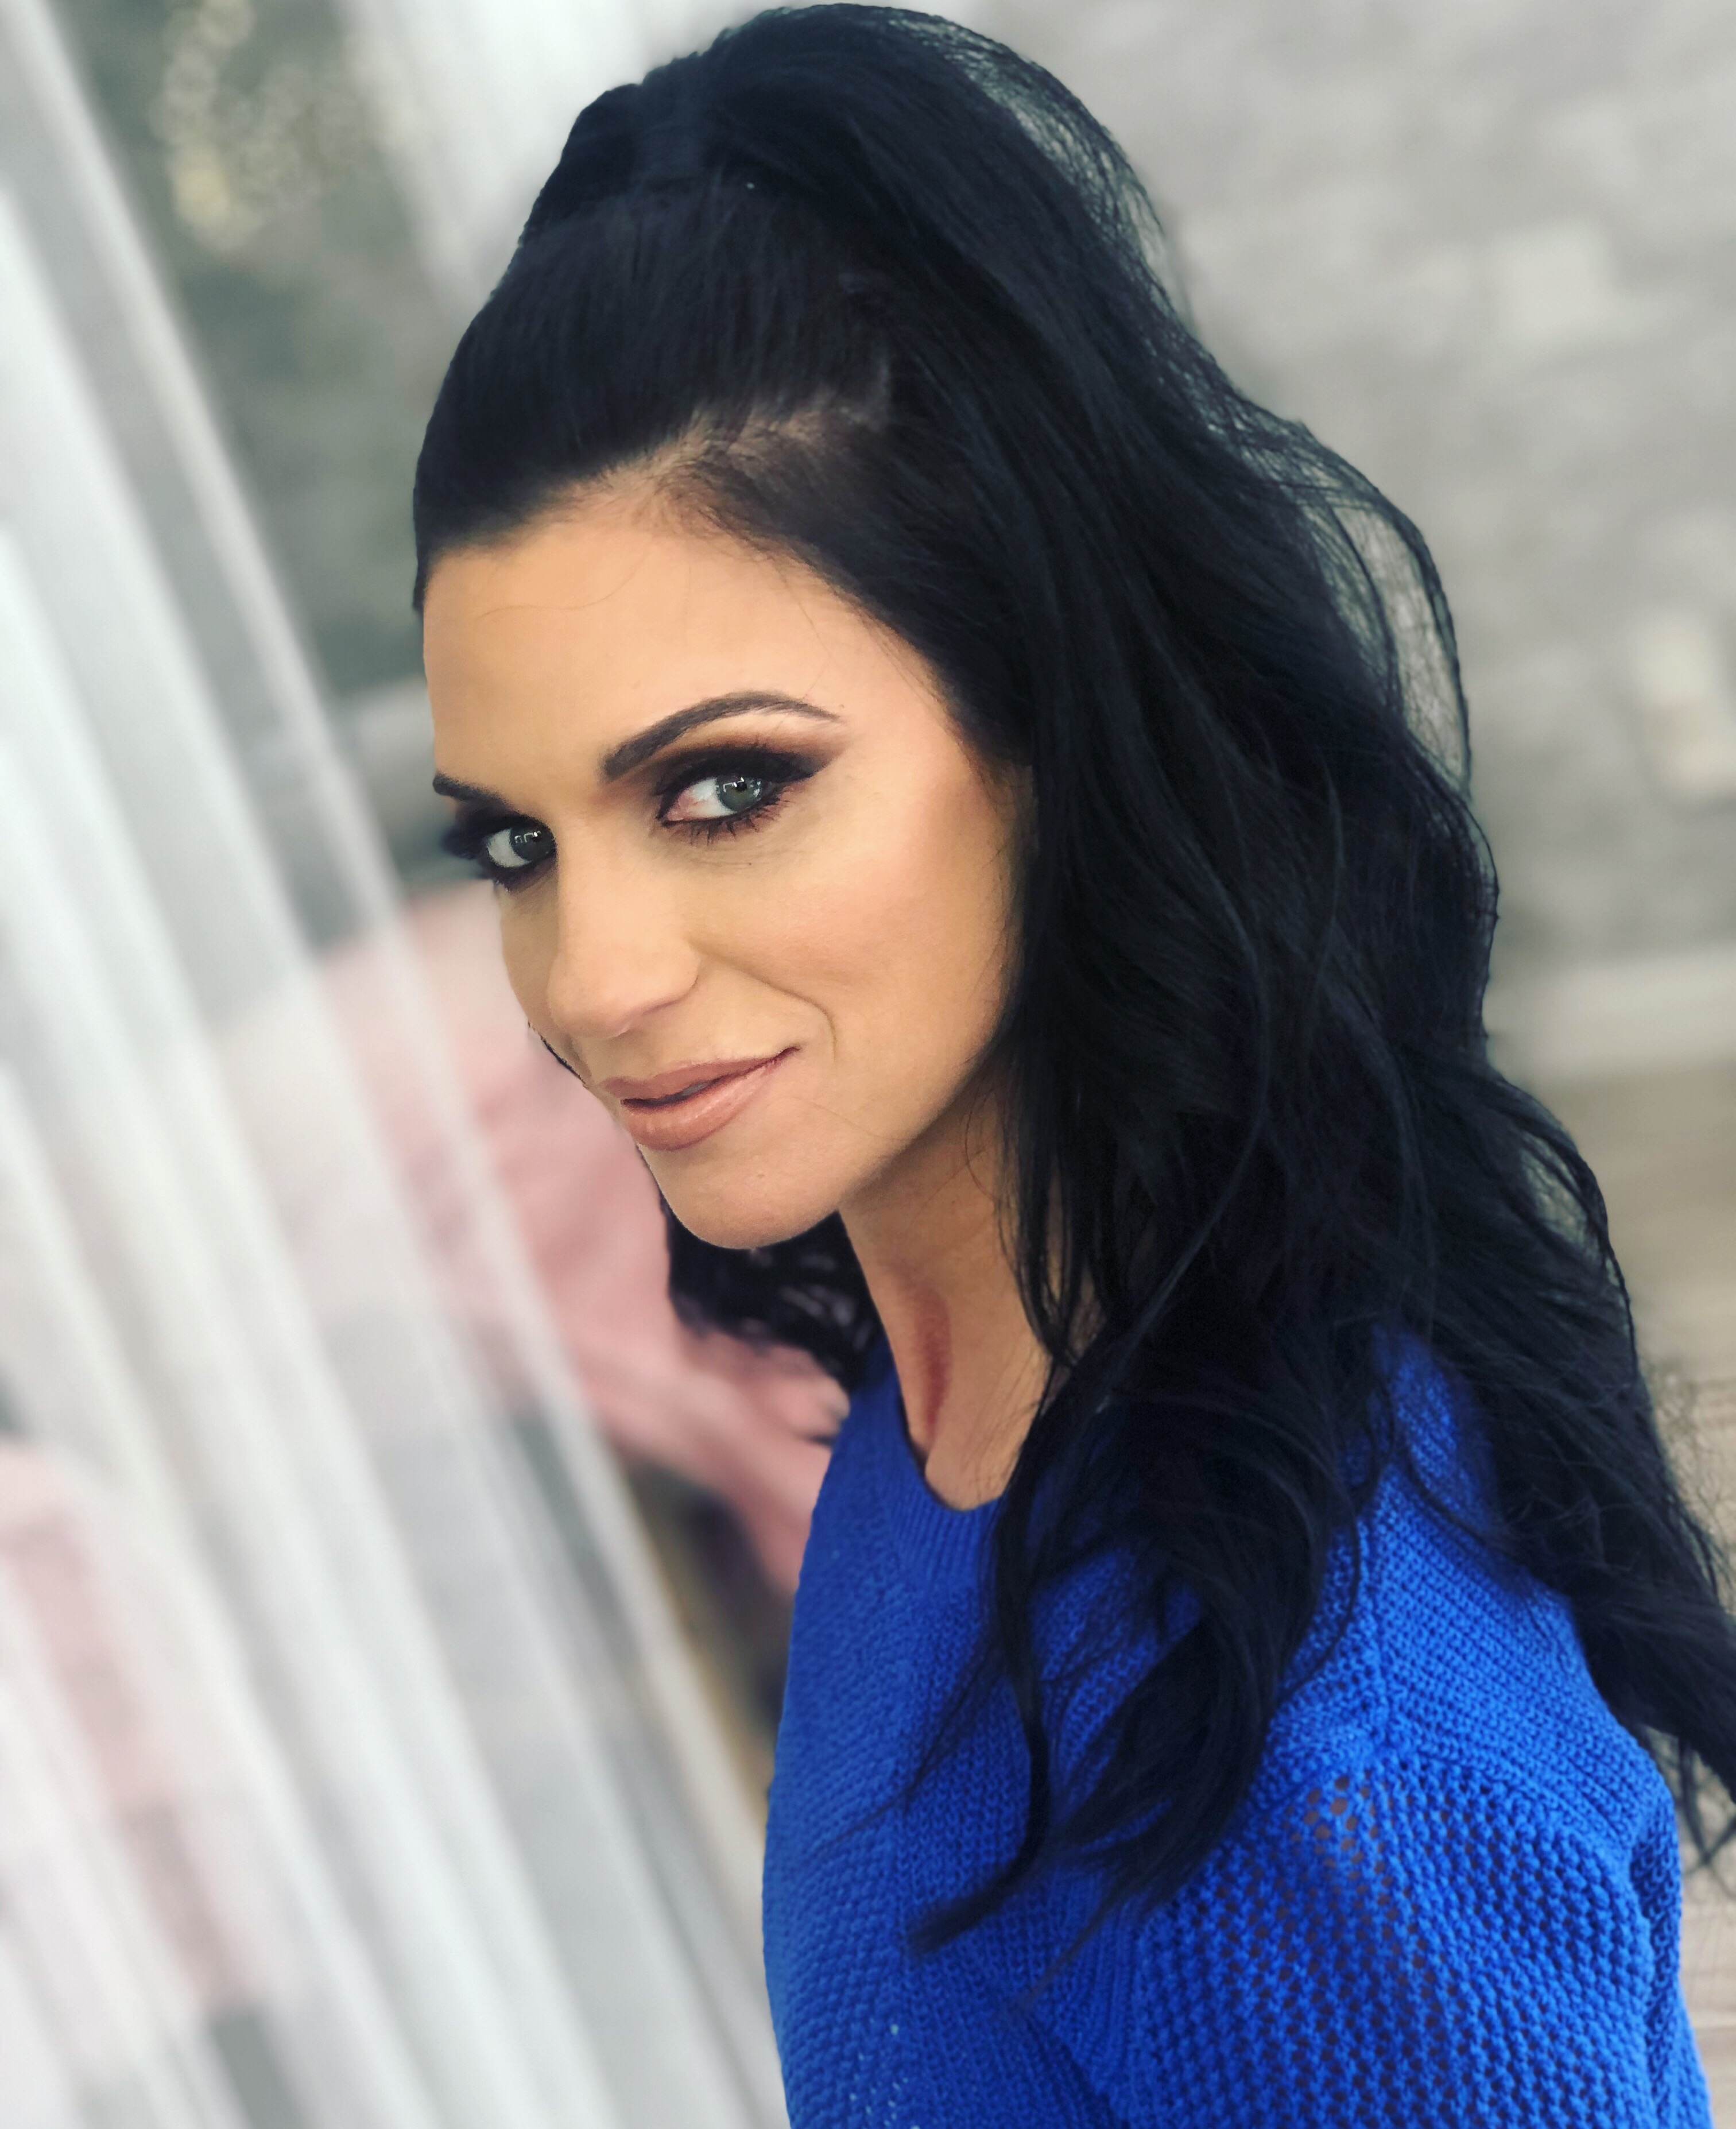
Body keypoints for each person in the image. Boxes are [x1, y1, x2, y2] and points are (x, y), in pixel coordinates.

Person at [413, 9, 1736, 2120]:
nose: (592, 976)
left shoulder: (1292, 1755)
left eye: (727, 788)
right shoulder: (943, 1439)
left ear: (1050, 732)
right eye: (514, 844)